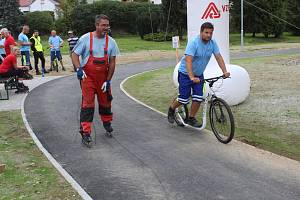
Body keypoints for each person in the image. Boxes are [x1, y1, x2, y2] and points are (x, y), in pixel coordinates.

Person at [167, 22, 230, 127]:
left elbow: (218, 57)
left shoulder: (212, 43)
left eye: (211, 33)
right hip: (185, 74)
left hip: (199, 75)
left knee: (198, 97)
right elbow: (188, 61)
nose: (209, 35)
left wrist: (224, 71)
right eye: (206, 32)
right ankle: (172, 109)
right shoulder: (194, 43)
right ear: (201, 32)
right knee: (184, 98)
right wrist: (191, 77)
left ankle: (191, 118)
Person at [72, 14, 119, 144]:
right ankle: (86, 131)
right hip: (88, 78)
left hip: (103, 78)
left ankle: (107, 122)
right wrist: (78, 69)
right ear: (97, 25)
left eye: (107, 25)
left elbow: (112, 62)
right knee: (88, 103)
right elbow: (74, 54)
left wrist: (108, 80)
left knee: (105, 102)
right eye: (103, 25)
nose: (106, 28)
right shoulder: (85, 39)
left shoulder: (111, 42)